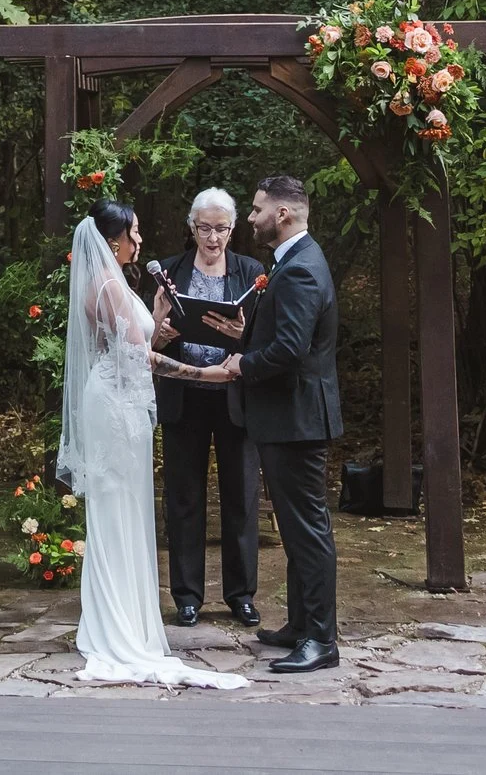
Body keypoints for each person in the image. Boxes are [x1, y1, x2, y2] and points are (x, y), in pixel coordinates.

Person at [57, 200, 247, 689]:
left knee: (128, 510)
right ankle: (115, 625)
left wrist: (160, 316)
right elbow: (143, 360)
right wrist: (205, 372)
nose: (140, 241)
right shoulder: (106, 286)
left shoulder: (116, 284)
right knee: (117, 511)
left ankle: (127, 616)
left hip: (121, 404)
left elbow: (139, 346)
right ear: (112, 239)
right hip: (114, 410)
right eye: (134, 233)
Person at [202, 174, 341, 674]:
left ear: (283, 214)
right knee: (299, 528)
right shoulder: (291, 263)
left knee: (307, 531)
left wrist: (242, 363)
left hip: (296, 419)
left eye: (258, 209)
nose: (253, 218)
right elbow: (281, 333)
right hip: (287, 417)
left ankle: (322, 640)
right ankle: (302, 625)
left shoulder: (302, 269)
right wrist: (247, 334)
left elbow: (291, 348)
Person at [146, 187, 262, 628]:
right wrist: (162, 335)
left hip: (234, 394)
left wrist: (242, 336)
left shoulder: (250, 272)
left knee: (241, 498)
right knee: (184, 499)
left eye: (222, 229)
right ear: (191, 227)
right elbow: (147, 342)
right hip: (183, 393)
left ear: (233, 230)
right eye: (204, 228)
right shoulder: (170, 271)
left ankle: (241, 594)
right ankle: (187, 596)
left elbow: (263, 340)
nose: (213, 238)